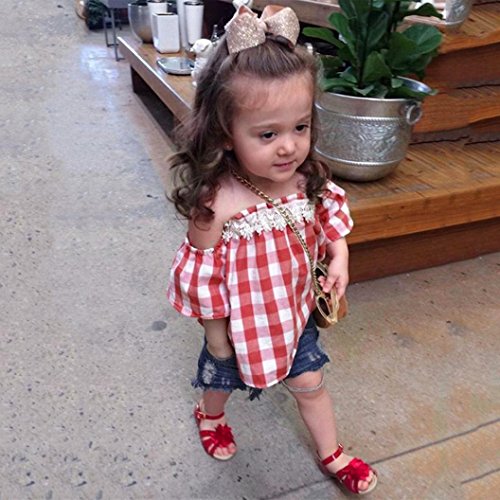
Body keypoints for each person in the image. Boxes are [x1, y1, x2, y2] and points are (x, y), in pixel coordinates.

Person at [166, 5, 378, 495]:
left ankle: (331, 452)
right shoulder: (216, 205)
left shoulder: (306, 181)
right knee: (221, 378)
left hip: (294, 314)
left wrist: (340, 257)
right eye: (267, 134)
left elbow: (330, 222)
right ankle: (210, 414)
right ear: (224, 134)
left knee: (310, 384)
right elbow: (202, 279)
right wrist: (217, 336)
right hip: (237, 324)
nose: (289, 147)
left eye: (300, 127)